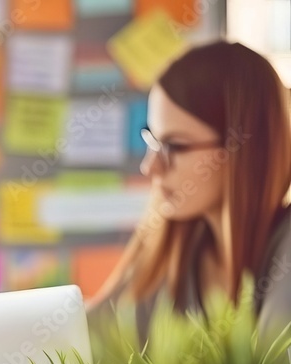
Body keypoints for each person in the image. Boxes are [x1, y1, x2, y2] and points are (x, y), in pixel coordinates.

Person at [90, 41, 291, 340]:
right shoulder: (173, 249)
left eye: (175, 145)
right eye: (153, 142)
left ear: (242, 150)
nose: (150, 167)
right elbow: (86, 335)